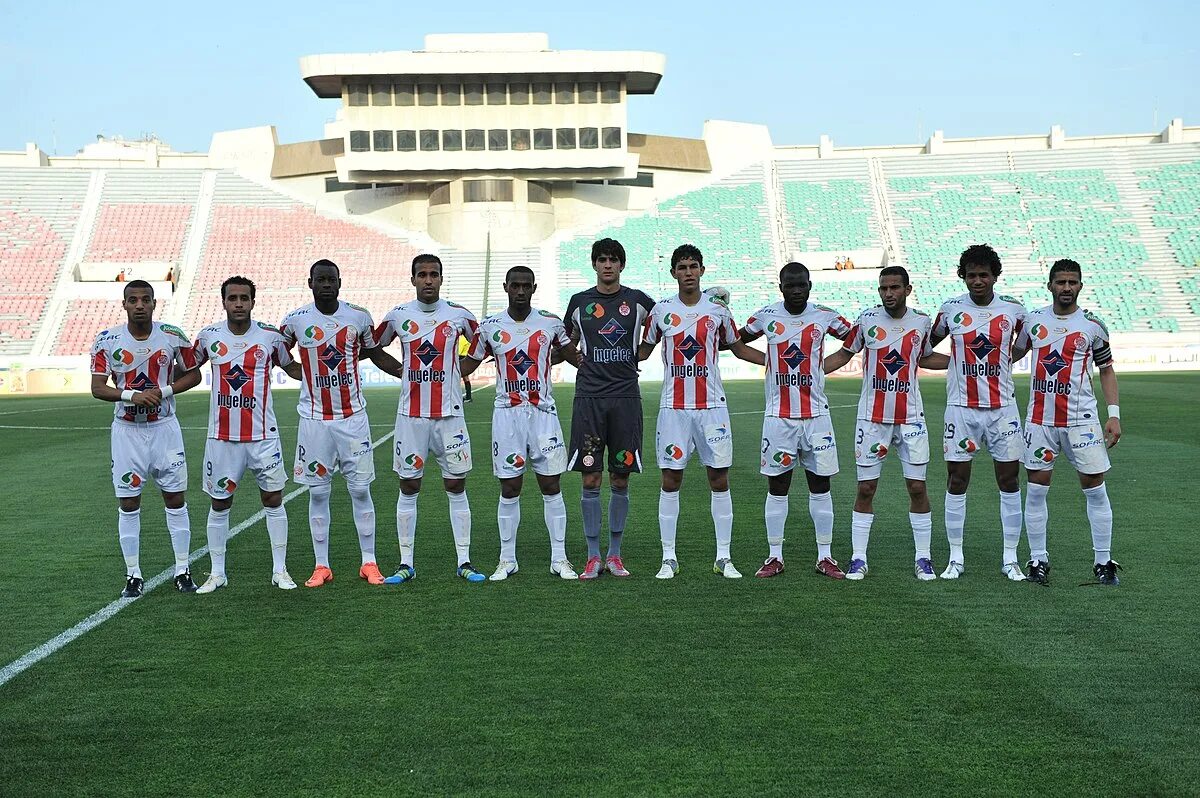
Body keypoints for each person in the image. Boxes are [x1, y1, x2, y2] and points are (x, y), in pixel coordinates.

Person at [638, 244, 763, 580]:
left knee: (719, 479)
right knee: (670, 478)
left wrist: (773, 360)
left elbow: (737, 348)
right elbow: (641, 351)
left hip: (712, 408)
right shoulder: (661, 311)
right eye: (682, 267)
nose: (688, 272)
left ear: (702, 271)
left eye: (694, 266)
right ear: (674, 273)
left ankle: (724, 557)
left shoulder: (718, 311)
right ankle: (668, 558)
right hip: (673, 409)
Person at [280, 259, 401, 588]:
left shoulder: (358, 317)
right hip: (314, 421)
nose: (326, 284)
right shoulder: (295, 321)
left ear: (340, 282)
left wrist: (407, 373)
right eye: (320, 280)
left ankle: (369, 562)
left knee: (360, 490)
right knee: (318, 494)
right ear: (310, 283)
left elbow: (376, 354)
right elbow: (280, 353)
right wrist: (300, 375)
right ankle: (322, 565)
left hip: (352, 419)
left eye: (331, 279)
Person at [823, 266, 949, 580]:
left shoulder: (921, 322)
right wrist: (809, 374)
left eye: (894, 287)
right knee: (866, 489)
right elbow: (843, 353)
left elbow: (926, 357)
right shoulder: (867, 320)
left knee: (917, 488)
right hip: (872, 419)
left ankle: (923, 558)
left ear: (908, 289)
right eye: (883, 288)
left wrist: (962, 361)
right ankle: (858, 558)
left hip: (911, 419)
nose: (888, 293)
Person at [462, 266, 584, 581]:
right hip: (507, 415)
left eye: (525, 286)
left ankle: (560, 558)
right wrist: (434, 363)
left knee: (551, 485)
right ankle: (507, 560)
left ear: (533, 288)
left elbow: (574, 356)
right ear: (505, 287)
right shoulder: (490, 326)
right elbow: (469, 362)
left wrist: (609, 359)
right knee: (510, 485)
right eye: (514, 285)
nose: (520, 291)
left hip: (543, 414)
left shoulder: (550, 323)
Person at [374, 254, 486, 583]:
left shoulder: (459, 315)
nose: (427, 280)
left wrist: (459, 371)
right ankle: (406, 564)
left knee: (456, 485)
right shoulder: (398, 316)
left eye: (433, 274)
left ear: (441, 279)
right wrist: (399, 369)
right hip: (411, 417)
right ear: (412, 279)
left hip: (449, 416)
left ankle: (464, 561)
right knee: (409, 485)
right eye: (421, 275)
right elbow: (373, 346)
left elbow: (480, 347)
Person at [1012, 259, 1123, 585]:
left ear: (1080, 285)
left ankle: (1103, 562)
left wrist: (1113, 415)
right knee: (1035, 491)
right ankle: (1037, 560)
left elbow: (1106, 369)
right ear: (1050, 285)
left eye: (1072, 282)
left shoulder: (1093, 326)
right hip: (1040, 421)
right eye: (1060, 282)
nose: (1066, 287)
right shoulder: (1033, 322)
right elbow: (1013, 355)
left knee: (1095, 490)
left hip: (1082, 422)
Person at [739, 262, 853, 579]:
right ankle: (774, 556)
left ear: (810, 285)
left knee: (820, 486)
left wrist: (822, 368)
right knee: (778, 486)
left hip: (816, 416)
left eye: (801, 284)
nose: (796, 290)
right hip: (779, 417)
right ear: (781, 288)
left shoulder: (825, 316)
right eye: (790, 285)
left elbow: (853, 342)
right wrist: (767, 361)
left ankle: (825, 557)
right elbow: (733, 342)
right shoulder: (766, 316)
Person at [90, 279, 203, 597]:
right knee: (128, 503)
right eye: (133, 300)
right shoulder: (106, 340)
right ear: (123, 304)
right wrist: (130, 396)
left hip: (165, 429)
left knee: (175, 499)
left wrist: (162, 391)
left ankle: (183, 569)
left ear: (154, 304)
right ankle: (133, 575)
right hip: (127, 433)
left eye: (145, 300)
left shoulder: (172, 336)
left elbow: (193, 373)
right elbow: (98, 387)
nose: (139, 305)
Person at [191, 276, 302, 593]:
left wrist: (321, 365)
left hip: (263, 437)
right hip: (222, 438)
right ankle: (216, 573)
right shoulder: (208, 337)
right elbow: (187, 365)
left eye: (244, 298)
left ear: (253, 301)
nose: (238, 303)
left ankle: (280, 570)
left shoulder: (270, 337)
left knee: (273, 499)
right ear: (223, 301)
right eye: (232, 298)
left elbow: (292, 367)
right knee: (220, 503)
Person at [928, 244, 1027, 581]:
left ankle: (1010, 558)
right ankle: (955, 557)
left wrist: (1001, 364)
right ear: (963, 276)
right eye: (971, 275)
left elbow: (1024, 345)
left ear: (995, 276)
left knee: (1009, 480)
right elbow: (925, 350)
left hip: (1003, 409)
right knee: (957, 480)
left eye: (984, 274)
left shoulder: (1014, 310)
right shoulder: (950, 310)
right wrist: (956, 363)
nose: (978, 280)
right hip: (961, 410)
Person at [563, 238, 656, 580]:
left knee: (620, 477)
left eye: (613, 260)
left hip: (625, 400)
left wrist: (641, 352)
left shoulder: (639, 302)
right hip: (589, 400)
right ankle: (591, 555)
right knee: (590, 476)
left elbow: (664, 324)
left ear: (621, 265)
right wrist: (580, 361)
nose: (607, 265)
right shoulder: (579, 303)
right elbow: (565, 341)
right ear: (594, 264)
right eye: (602, 259)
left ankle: (614, 555)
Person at [458, 333, 473, 403]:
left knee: (458, 378)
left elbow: (458, 351)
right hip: (465, 357)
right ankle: (468, 396)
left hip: (461, 357)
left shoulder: (462, 339)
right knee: (465, 378)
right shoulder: (468, 339)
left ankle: (467, 397)